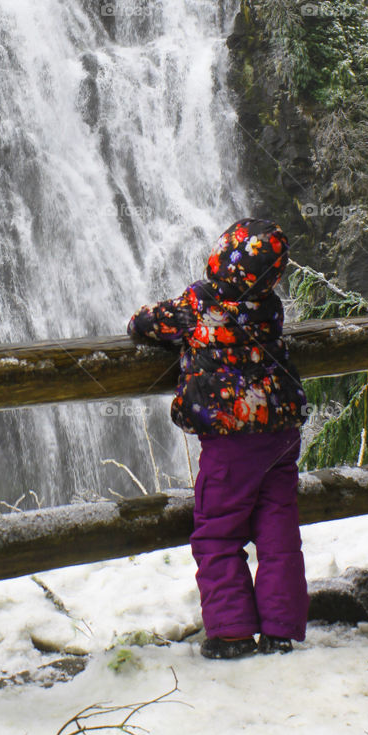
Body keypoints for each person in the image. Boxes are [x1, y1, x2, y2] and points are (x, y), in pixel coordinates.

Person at [128, 218, 309, 659]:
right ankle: (281, 629)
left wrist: (143, 322)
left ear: (219, 255)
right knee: (278, 529)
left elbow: (146, 324)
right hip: (281, 431)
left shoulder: (198, 302)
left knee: (218, 533)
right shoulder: (270, 305)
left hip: (231, 441)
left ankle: (231, 633)